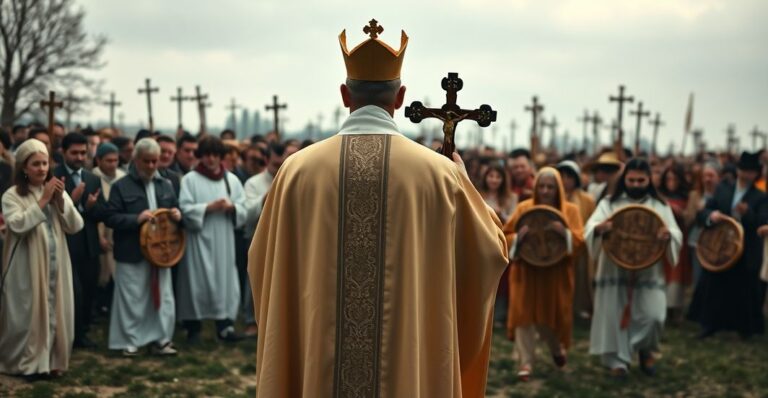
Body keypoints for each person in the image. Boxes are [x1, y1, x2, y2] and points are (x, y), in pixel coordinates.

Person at [248, 21, 508, 397]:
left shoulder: (296, 170)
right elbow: (489, 253)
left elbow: (262, 263)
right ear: (401, 97)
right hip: (406, 370)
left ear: (344, 94)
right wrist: (463, 180)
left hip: (316, 369)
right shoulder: (439, 175)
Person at [585, 158, 682, 377]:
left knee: (654, 315)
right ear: (624, 180)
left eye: (641, 180)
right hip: (614, 269)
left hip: (649, 270)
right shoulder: (609, 203)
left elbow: (676, 232)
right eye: (631, 180)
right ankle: (618, 361)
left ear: (649, 180)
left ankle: (644, 349)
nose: (636, 184)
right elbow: (589, 228)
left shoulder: (660, 205)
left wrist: (669, 236)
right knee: (615, 314)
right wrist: (600, 229)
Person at [0, 139, 83, 376]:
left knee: (57, 310)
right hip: (27, 266)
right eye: (36, 164)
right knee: (28, 315)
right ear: (24, 168)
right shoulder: (12, 195)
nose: (42, 169)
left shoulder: (55, 189)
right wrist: (44, 200)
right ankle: (28, 364)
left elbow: (75, 225)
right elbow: (17, 226)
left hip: (57, 264)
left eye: (45, 163)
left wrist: (60, 202)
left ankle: (52, 362)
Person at [503, 167, 584, 381]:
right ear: (536, 187)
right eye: (542, 186)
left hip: (555, 275)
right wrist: (517, 238)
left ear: (558, 188)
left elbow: (579, 241)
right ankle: (525, 362)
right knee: (523, 314)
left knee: (550, 315)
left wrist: (564, 233)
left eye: (550, 187)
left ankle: (556, 349)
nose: (546, 191)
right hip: (526, 272)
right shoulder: (523, 208)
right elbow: (505, 235)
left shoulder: (571, 211)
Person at [101, 138, 180, 356]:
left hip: (162, 253)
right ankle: (129, 342)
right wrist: (135, 219)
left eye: (155, 161)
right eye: (147, 161)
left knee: (163, 298)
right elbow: (110, 217)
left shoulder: (166, 184)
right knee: (132, 298)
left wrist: (177, 214)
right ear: (136, 160)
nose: (152, 166)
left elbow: (175, 209)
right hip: (132, 251)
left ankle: (161, 340)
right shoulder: (121, 186)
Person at [688, 151, 767, 339]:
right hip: (720, 247)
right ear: (738, 170)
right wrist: (710, 216)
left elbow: (762, 223)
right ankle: (710, 324)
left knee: (744, 290)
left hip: (746, 249)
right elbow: (704, 212)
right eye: (743, 170)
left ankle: (744, 329)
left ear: (756, 174)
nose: (746, 174)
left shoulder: (761, 197)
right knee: (715, 287)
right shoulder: (723, 188)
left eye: (751, 172)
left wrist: (747, 213)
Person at [178, 135, 246, 343]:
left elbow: (243, 207)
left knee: (223, 279)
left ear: (221, 157)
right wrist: (208, 208)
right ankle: (193, 327)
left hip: (224, 237)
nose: (210, 160)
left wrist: (232, 208)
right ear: (200, 156)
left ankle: (224, 325)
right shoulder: (190, 179)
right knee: (195, 280)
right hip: (198, 238)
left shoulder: (231, 180)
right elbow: (185, 209)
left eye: (215, 155)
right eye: (206, 155)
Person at [53, 132, 103, 349]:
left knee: (89, 289)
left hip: (89, 244)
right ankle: (68, 335)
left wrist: (91, 207)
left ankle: (82, 334)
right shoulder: (54, 176)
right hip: (66, 244)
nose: (80, 157)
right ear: (64, 152)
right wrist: (70, 201)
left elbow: (104, 211)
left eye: (83, 152)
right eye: (75, 153)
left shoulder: (92, 178)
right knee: (73, 292)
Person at [241, 142, 287, 337]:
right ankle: (252, 321)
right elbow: (247, 214)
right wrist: (265, 198)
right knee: (255, 278)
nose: (279, 168)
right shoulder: (254, 183)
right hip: (258, 238)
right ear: (267, 160)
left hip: (285, 239)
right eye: (276, 165)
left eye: (282, 163)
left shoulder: (293, 177)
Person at [557, 160, 597, 320]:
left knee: (579, 278)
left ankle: (579, 307)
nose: (565, 180)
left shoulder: (587, 200)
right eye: (562, 176)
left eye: (569, 177)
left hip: (579, 244)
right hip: (557, 245)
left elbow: (591, 220)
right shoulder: (552, 196)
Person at [90, 143, 126, 314]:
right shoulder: (92, 178)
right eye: (108, 160)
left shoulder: (122, 178)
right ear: (98, 160)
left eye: (115, 160)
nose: (112, 164)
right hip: (101, 231)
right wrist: (99, 236)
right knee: (101, 270)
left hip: (117, 233)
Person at [657, 164, 692, 323]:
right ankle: (662, 308)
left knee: (677, 275)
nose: (671, 182)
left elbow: (690, 218)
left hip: (679, 241)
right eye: (668, 178)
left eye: (674, 178)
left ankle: (676, 309)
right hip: (662, 241)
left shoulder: (686, 197)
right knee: (663, 273)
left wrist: (681, 213)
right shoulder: (659, 196)